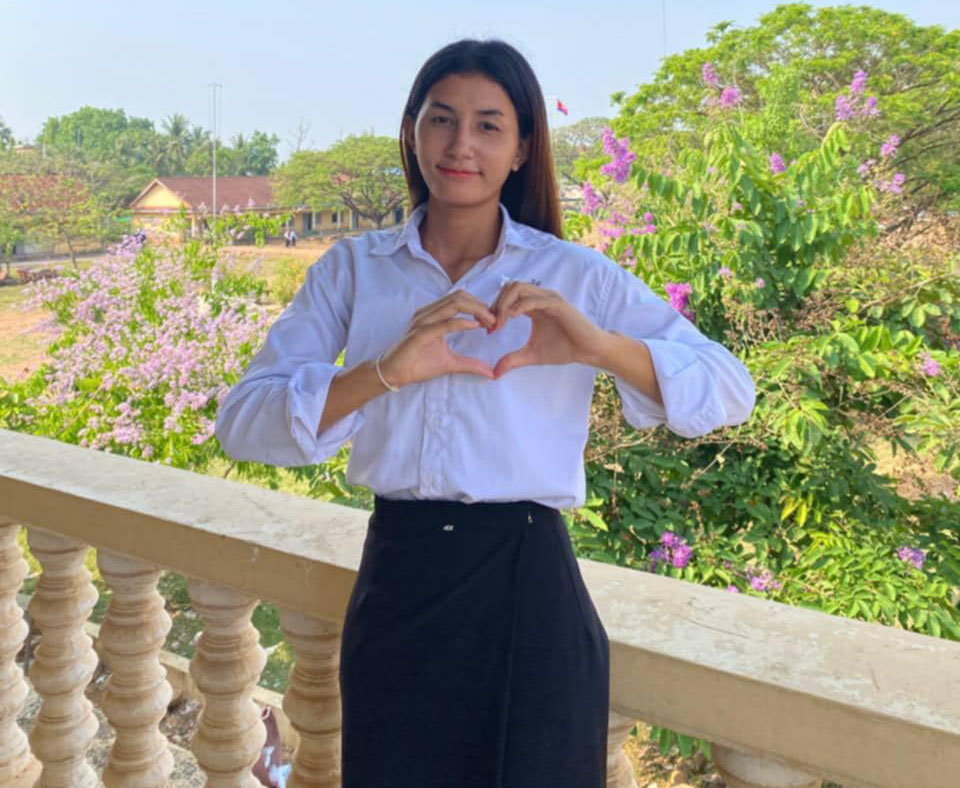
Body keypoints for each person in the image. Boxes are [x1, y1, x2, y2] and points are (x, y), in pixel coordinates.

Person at [215, 38, 755, 788]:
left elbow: (730, 388)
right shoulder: (353, 270)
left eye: (488, 125)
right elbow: (242, 422)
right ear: (411, 131)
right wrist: (383, 372)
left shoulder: (571, 275)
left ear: (522, 147)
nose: (460, 144)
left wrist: (598, 347)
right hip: (398, 582)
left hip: (529, 592)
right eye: (441, 119)